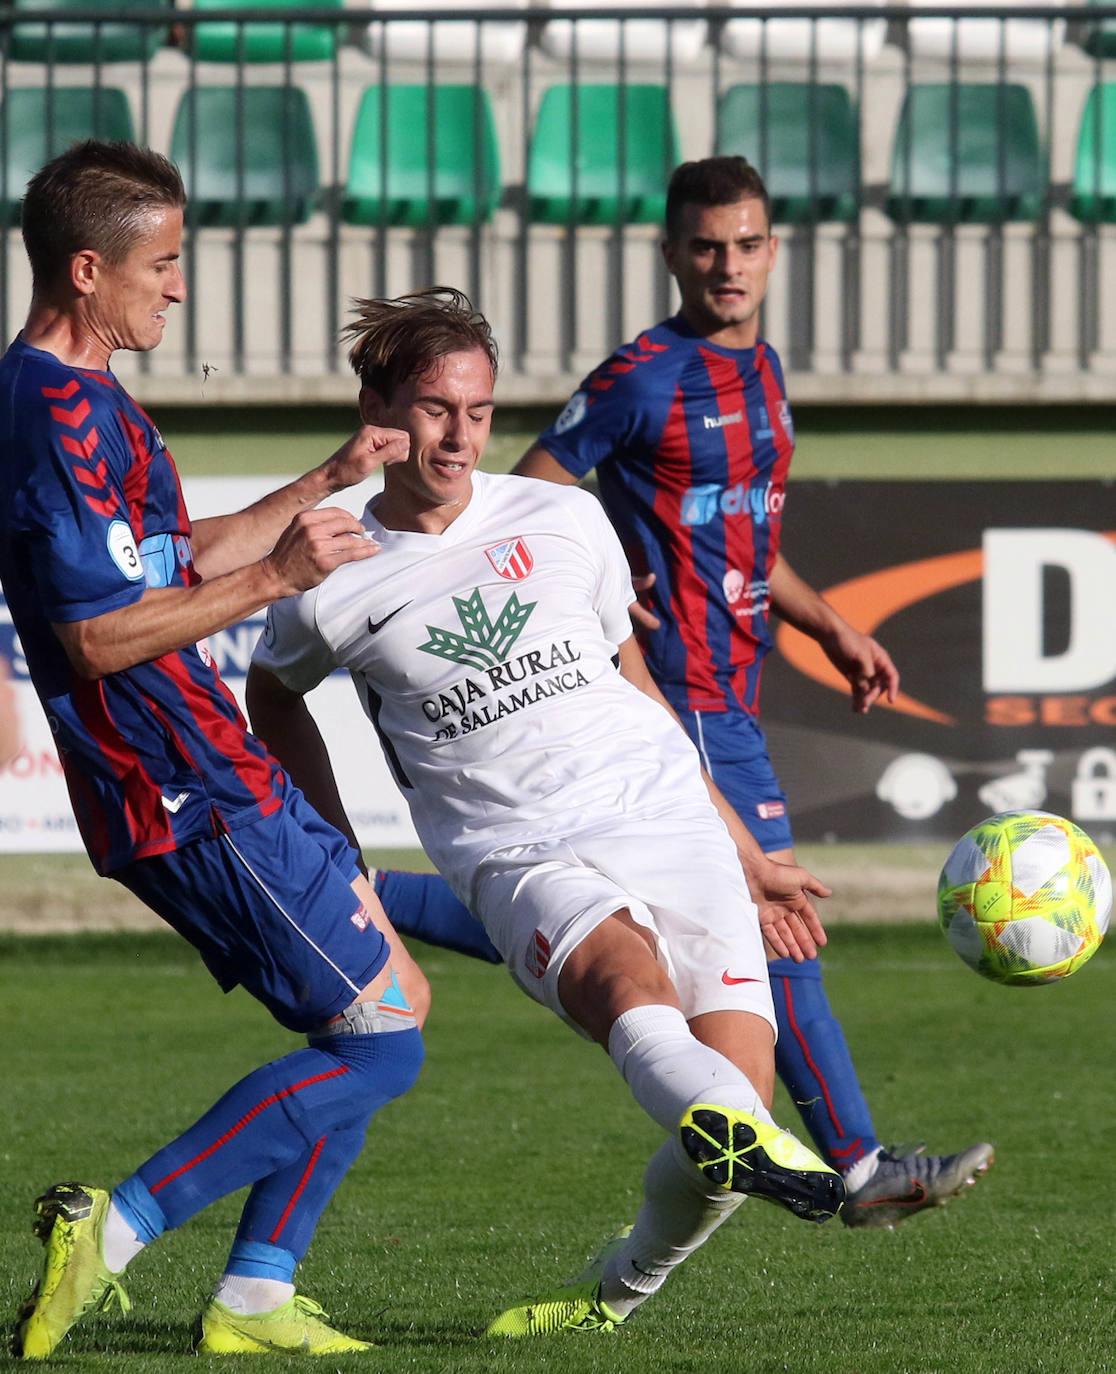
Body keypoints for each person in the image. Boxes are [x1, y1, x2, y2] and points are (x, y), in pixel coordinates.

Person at [371, 156, 994, 1228]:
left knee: (678, 929)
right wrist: (597, 585)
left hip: (739, 682)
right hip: (679, 696)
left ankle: (377, 894)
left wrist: (831, 622)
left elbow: (747, 525)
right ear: (671, 254)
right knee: (770, 916)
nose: (728, 265)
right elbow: (526, 491)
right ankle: (855, 1164)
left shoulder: (763, 370)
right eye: (706, 246)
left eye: (747, 243)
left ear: (773, 250)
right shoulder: (640, 379)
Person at [247, 285, 846, 1341]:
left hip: (665, 814)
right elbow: (273, 695)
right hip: (511, 844)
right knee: (627, 984)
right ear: (376, 404)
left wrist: (745, 848)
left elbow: (639, 685)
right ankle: (772, 1150)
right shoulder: (328, 569)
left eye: (477, 412)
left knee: (727, 1110)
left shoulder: (565, 516)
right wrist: (333, 845)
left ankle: (612, 1295)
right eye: (435, 408)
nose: (459, 436)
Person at [0, 140, 429, 1359]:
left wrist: (328, 480)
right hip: (176, 781)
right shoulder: (40, 415)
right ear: (88, 270)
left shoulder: (87, 398)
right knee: (382, 1045)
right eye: (163, 264)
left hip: (213, 763)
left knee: (389, 1007)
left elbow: (172, 561)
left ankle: (253, 1298)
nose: (178, 291)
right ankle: (116, 1230)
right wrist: (285, 578)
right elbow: (95, 638)